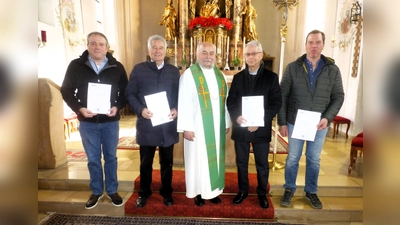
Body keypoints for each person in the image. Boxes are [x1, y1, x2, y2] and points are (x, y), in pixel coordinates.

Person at [61, 31, 128, 209]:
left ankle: (112, 190)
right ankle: (97, 191)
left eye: (101, 44)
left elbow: (125, 92)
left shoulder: (117, 67)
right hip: (87, 122)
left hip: (110, 121)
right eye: (93, 43)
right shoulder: (76, 66)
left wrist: (117, 106)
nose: (97, 47)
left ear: (107, 47)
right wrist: (79, 108)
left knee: (111, 157)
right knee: (93, 158)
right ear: (88, 45)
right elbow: (66, 90)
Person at [278, 30, 345, 209]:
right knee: (293, 157)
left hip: (318, 124)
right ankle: (289, 188)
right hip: (295, 121)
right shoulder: (293, 68)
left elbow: (338, 96)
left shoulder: (332, 69)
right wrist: (282, 122)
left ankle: (311, 191)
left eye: (317, 42)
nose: (313, 46)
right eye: (310, 42)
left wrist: (327, 118)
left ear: (323, 44)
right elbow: (282, 95)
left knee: (314, 159)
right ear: (305, 45)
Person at [125, 35, 180, 208]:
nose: (157, 50)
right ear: (149, 50)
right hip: (147, 124)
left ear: (166, 50)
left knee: (167, 162)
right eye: (154, 47)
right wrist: (141, 109)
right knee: (145, 162)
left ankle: (166, 192)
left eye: (160, 48)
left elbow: (180, 94)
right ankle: (144, 192)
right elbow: (130, 93)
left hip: (167, 124)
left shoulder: (173, 71)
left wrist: (177, 108)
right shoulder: (139, 69)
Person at [227, 40, 282, 209]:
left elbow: (276, 102)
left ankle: (261, 193)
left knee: (262, 163)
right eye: (247, 54)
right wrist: (236, 117)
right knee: (241, 162)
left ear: (261, 55)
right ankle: (243, 191)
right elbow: (231, 102)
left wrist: (260, 121)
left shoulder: (271, 78)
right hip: (242, 127)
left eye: (254, 54)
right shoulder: (237, 78)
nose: (250, 57)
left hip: (261, 128)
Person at [177, 42, 230, 206]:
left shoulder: (220, 75)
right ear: (196, 54)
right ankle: (198, 192)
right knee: (197, 160)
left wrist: (226, 121)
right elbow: (183, 102)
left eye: (212, 53)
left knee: (214, 160)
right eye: (204, 53)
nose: (208, 56)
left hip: (216, 127)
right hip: (196, 127)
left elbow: (225, 102)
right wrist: (187, 127)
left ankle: (213, 192)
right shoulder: (189, 75)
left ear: (216, 55)